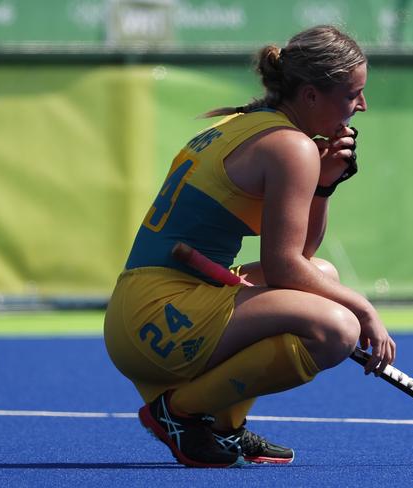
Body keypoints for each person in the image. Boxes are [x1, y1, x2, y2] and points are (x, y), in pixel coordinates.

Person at [103, 24, 396, 468]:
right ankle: (180, 413)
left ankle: (223, 427)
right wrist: (365, 309)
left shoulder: (248, 124)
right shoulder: (290, 146)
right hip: (160, 317)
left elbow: (303, 256)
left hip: (141, 309)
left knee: (326, 278)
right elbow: (283, 268)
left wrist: (324, 186)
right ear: (312, 95)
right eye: (353, 94)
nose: (361, 106)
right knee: (338, 329)